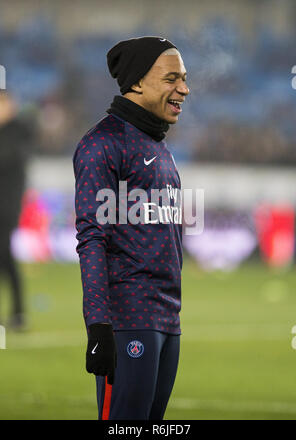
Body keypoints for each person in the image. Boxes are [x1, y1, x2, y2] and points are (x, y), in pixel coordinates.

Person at [73, 36, 190, 420]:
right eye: (172, 78)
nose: (184, 89)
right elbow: (91, 239)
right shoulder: (102, 145)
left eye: (184, 79)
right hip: (126, 321)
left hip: (167, 319)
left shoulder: (159, 146)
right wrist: (99, 326)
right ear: (138, 82)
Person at [0, 91, 33, 330]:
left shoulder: (18, 131)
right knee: (5, 259)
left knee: (5, 257)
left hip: (7, 207)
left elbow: (7, 158)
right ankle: (18, 314)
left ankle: (19, 314)